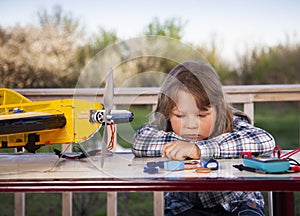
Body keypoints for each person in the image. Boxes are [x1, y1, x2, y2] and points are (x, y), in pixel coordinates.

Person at [131, 61, 275, 216]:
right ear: (167, 113)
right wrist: (179, 144)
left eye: (201, 115)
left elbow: (264, 141)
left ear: (218, 111)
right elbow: (140, 141)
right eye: (180, 115)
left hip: (238, 203)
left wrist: (198, 149)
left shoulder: (231, 123)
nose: (192, 125)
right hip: (185, 206)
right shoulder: (163, 126)